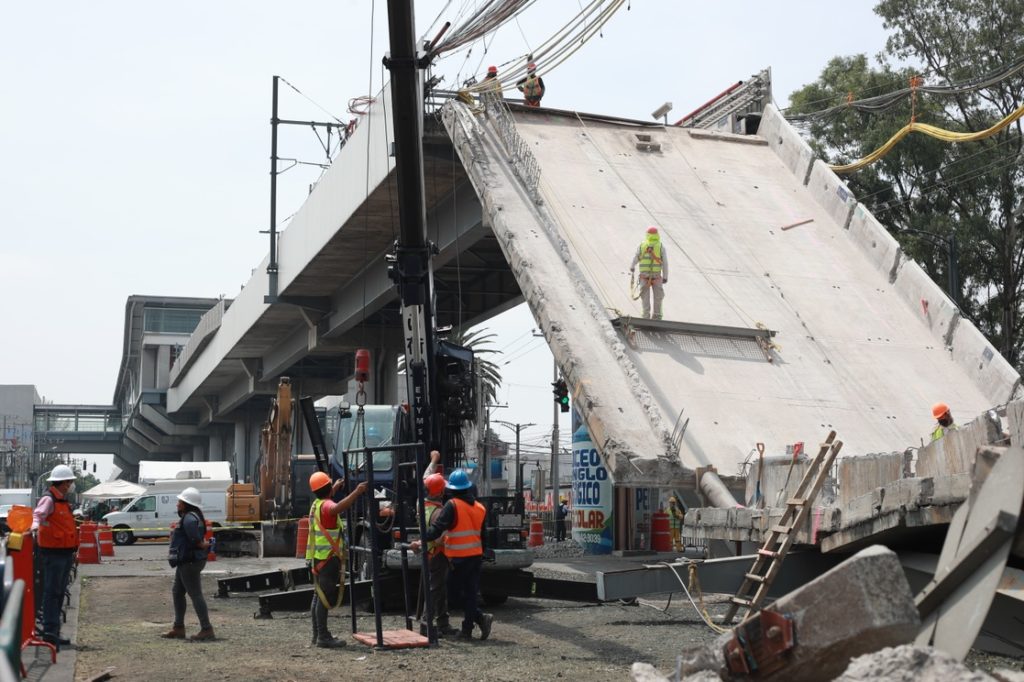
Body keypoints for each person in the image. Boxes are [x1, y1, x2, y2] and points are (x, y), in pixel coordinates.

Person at [412, 468, 493, 641]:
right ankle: (468, 630)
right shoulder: (480, 507)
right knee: (471, 594)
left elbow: (437, 529)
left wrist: (420, 541)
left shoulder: (452, 505)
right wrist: (483, 553)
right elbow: (483, 535)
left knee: (454, 594)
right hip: (475, 557)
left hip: (459, 558)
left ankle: (478, 619)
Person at [305, 471, 367, 648]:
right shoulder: (327, 506)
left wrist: (334, 488)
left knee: (318, 597)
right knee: (324, 599)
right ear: (327, 490)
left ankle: (317, 635)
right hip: (328, 559)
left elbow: (326, 501)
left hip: (319, 558)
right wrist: (356, 492)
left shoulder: (316, 504)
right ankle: (322, 637)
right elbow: (335, 508)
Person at [32, 464, 79, 650]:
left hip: (64, 553)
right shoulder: (49, 499)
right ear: (63, 483)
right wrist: (35, 527)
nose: (71, 485)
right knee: (52, 593)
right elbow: (37, 515)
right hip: (54, 554)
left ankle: (53, 632)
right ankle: (50, 633)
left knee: (58, 593)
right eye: (70, 482)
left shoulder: (62, 501)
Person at [161, 487, 215, 641]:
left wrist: (200, 544)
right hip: (186, 561)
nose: (177, 504)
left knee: (195, 594)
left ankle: (207, 629)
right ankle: (178, 628)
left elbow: (194, 539)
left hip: (190, 562)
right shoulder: (193, 516)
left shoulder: (189, 518)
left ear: (186, 503)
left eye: (180, 501)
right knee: (177, 592)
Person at [419, 470, 458, 637]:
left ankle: (443, 623)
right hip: (438, 553)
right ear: (441, 492)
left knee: (439, 589)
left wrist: (433, 460)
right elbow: (441, 537)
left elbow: (425, 477)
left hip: (429, 552)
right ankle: (426, 624)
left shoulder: (422, 505)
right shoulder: (438, 513)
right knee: (435, 589)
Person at [629, 226, 669, 320]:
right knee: (658, 298)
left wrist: (632, 266)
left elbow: (636, 257)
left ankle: (645, 317)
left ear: (647, 235)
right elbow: (665, 263)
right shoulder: (660, 246)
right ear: (657, 235)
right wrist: (665, 276)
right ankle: (657, 317)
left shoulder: (642, 245)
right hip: (657, 277)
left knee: (645, 299)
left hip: (644, 277)